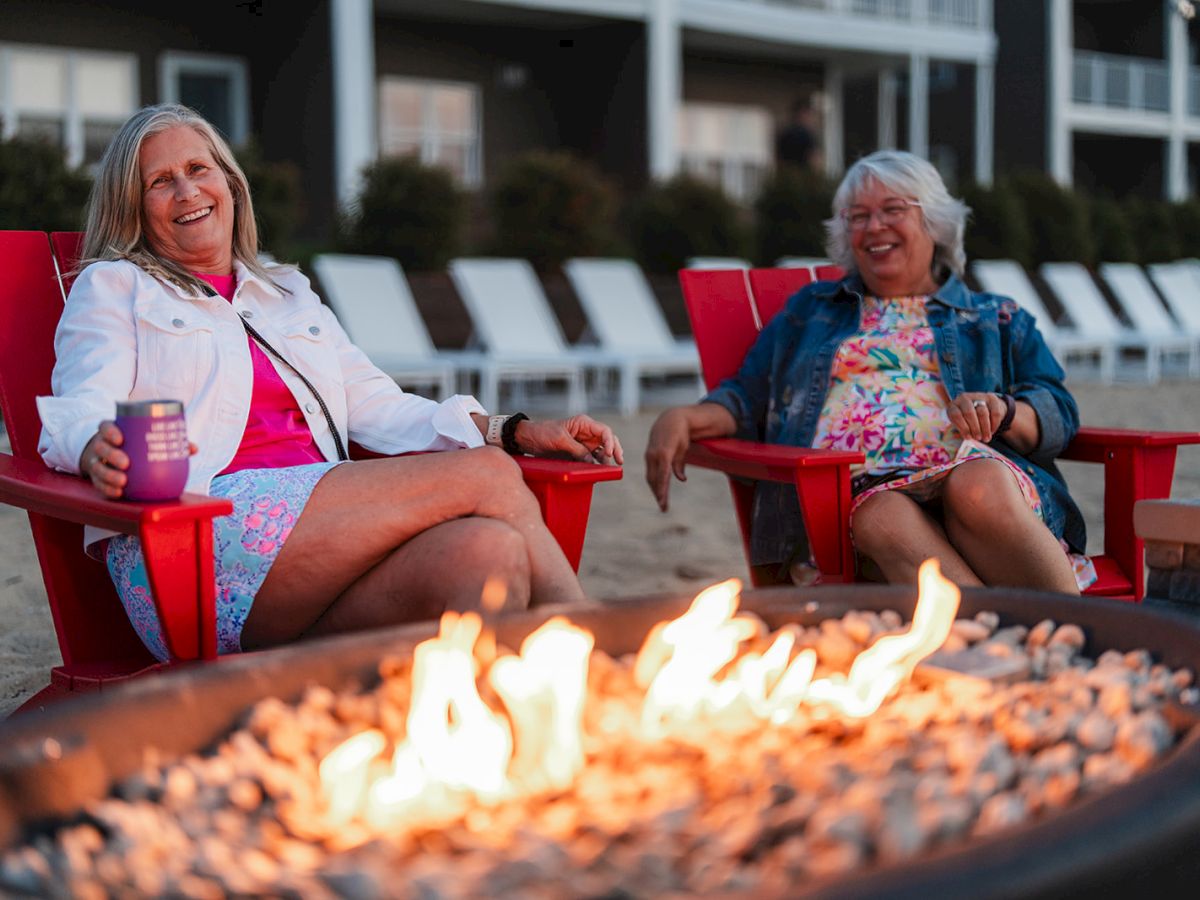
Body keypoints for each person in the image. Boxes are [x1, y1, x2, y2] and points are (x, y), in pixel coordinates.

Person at [37, 103, 623, 662]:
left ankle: (481, 741)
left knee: (488, 554)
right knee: (490, 475)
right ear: (134, 209)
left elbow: (377, 404)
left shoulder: (286, 293)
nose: (187, 191)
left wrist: (511, 430)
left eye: (197, 169)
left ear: (230, 183)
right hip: (193, 539)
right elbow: (80, 406)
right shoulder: (115, 287)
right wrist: (94, 447)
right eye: (159, 182)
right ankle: (608, 674)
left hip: (318, 548)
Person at [646, 149, 1092, 595]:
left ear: (934, 222)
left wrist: (1006, 410)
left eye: (893, 210)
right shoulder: (810, 313)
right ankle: (1002, 639)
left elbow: (1058, 410)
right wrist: (684, 418)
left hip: (981, 495)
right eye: (856, 217)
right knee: (883, 516)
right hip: (852, 510)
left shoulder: (995, 318)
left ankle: (1082, 629)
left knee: (979, 484)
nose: (873, 227)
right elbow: (747, 399)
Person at [775, 99, 822, 173]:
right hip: (803, 175)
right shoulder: (805, 134)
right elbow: (814, 159)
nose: (810, 118)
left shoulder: (785, 133)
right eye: (808, 114)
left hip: (788, 174)